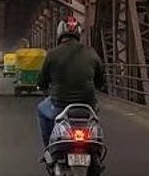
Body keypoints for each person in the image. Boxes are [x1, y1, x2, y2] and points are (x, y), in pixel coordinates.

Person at [36, 14, 106, 149]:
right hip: (87, 104)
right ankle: (96, 149)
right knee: (95, 120)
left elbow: (42, 80)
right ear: (78, 33)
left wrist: (43, 88)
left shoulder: (52, 54)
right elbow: (100, 81)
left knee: (41, 110)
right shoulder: (91, 52)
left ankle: (49, 148)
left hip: (59, 104)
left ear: (60, 33)